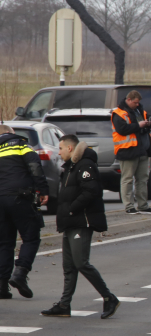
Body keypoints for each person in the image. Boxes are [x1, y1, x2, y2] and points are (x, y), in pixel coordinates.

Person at [41, 135, 120, 319]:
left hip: (81, 221)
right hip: (70, 222)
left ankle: (109, 298)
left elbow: (91, 191)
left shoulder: (85, 165)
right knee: (69, 266)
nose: (58, 152)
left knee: (81, 263)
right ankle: (64, 305)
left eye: (60, 148)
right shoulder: (71, 166)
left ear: (70, 148)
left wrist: (71, 209)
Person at [0, 124, 49, 299]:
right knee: (31, 237)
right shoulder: (21, 145)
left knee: (4, 243)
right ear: (10, 132)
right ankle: (20, 273)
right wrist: (43, 190)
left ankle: (2, 286)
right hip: (20, 197)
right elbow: (35, 167)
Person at [111, 90, 151, 215]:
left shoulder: (140, 110)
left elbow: (149, 123)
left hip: (143, 150)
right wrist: (139, 125)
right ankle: (129, 206)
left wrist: (148, 123)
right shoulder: (119, 113)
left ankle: (143, 205)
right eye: (135, 102)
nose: (137, 104)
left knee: (142, 179)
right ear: (129, 100)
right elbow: (122, 129)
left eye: (138, 103)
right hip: (128, 151)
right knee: (127, 179)